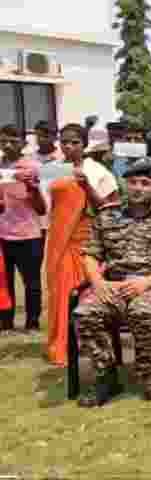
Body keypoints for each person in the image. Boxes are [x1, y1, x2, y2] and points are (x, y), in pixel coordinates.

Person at [74, 158, 151, 406]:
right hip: (112, 286)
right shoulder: (107, 215)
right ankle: (105, 376)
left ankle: (149, 376)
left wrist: (146, 283)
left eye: (145, 183)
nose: (138, 187)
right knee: (85, 312)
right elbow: (90, 256)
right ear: (125, 185)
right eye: (132, 182)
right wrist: (97, 283)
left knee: (142, 311)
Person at [43, 124, 119, 366]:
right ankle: (61, 344)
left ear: (84, 144)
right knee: (60, 292)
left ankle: (90, 344)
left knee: (83, 292)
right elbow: (45, 206)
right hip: (58, 239)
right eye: (64, 142)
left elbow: (111, 210)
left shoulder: (98, 172)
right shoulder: (53, 171)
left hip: (88, 241)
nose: (69, 147)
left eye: (75, 142)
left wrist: (86, 186)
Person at [0, 125, 46, 332]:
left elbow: (41, 208)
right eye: (3, 141)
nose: (7, 145)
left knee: (32, 282)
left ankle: (33, 322)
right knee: (4, 282)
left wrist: (32, 188)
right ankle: (6, 322)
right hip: (2, 233)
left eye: (13, 141)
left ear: (23, 143)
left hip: (28, 234)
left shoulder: (32, 168)